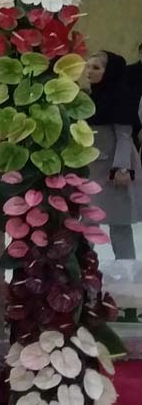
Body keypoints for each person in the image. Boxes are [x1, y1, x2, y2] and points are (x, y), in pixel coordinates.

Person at [85, 50, 142, 260]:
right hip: (91, 167)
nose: (89, 71)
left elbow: (124, 136)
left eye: (96, 68)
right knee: (88, 218)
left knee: (120, 222)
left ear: (110, 72)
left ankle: (127, 269)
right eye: (88, 66)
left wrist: (121, 168)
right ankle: (84, 265)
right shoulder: (87, 98)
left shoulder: (120, 98)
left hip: (114, 168)